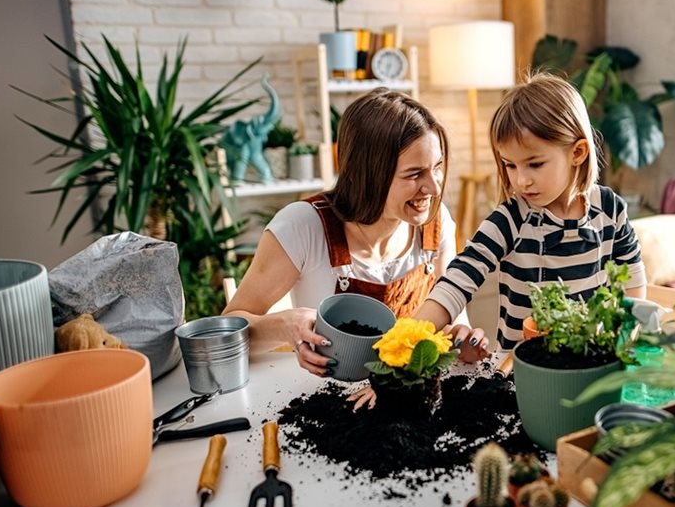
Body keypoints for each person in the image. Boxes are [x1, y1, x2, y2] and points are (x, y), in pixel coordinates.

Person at [224, 89, 472, 383]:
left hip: (408, 403)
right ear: (367, 173)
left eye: (438, 167)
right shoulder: (302, 226)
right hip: (326, 403)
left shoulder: (436, 222)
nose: (432, 187)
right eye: (414, 174)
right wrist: (283, 327)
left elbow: (455, 322)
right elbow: (226, 332)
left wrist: (463, 339)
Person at [417, 72, 647, 355]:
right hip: (520, 370)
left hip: (590, 362)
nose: (520, 180)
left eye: (534, 164)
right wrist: (413, 334)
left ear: (577, 152)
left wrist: (626, 339)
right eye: (510, 166)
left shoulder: (610, 209)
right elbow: (458, 279)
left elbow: (633, 281)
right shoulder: (509, 220)